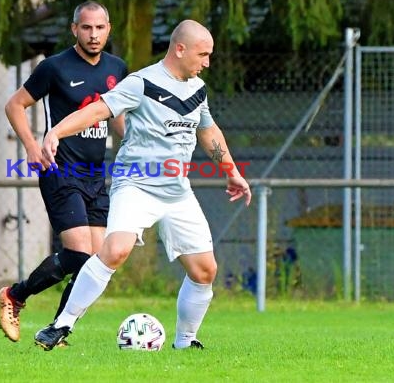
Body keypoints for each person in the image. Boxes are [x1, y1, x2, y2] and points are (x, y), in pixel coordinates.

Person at [34, 19, 251, 351]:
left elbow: (209, 132)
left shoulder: (197, 88)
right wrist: (56, 132)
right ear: (180, 49)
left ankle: (185, 342)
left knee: (205, 270)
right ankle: (61, 325)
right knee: (115, 250)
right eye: (203, 54)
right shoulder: (141, 82)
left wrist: (231, 171)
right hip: (135, 185)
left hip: (177, 191)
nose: (207, 62)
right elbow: (98, 110)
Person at [0, 1, 128, 343]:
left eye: (100, 28)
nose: (93, 34)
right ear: (74, 30)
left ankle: (57, 328)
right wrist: (30, 146)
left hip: (95, 174)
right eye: (86, 27)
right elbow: (15, 105)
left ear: (108, 29)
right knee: (78, 251)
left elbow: (117, 118)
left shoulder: (117, 68)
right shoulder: (54, 67)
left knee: (98, 260)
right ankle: (15, 295)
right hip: (60, 168)